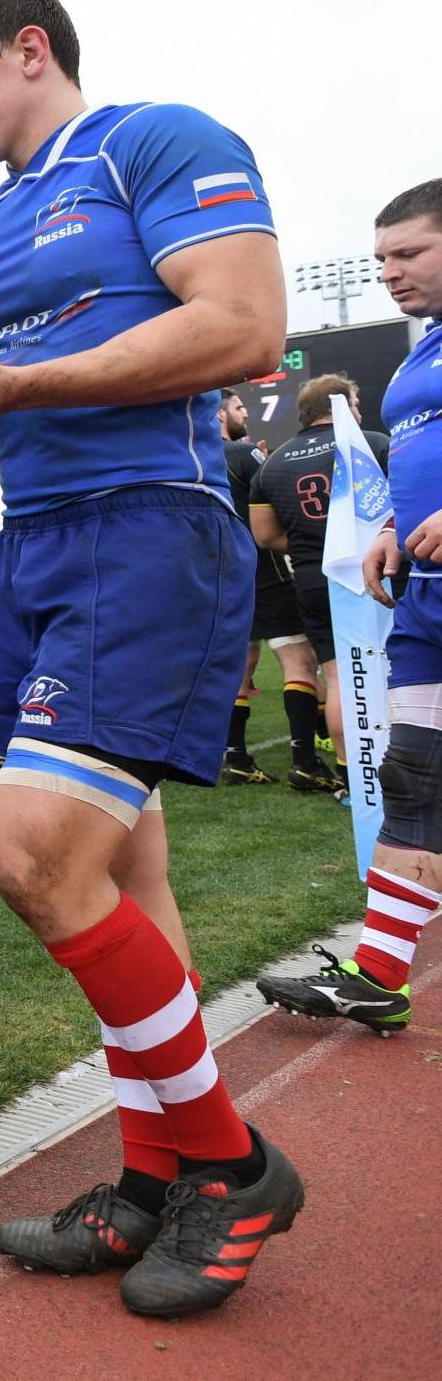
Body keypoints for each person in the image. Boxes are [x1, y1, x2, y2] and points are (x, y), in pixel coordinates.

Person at [0, 0, 299, 1315]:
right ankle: (147, 1178)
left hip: (147, 530)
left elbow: (241, 327)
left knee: (31, 853)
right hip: (37, 549)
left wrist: (16, 381)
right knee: (122, 869)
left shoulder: (153, 139)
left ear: (29, 49)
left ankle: (231, 1167)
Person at [259, 178, 442, 1031]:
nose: (389, 273)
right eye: (380, 259)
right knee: (410, 777)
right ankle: (378, 975)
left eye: (409, 253)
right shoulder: (418, 355)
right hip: (426, 599)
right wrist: (400, 526)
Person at [250, 374, 369, 794]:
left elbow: (264, 535)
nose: (359, 410)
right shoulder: (372, 444)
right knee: (397, 675)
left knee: (339, 678)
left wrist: (310, 545)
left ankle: (351, 777)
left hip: (314, 577)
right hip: (373, 571)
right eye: (355, 402)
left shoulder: (273, 462)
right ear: (341, 405)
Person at [217, 391, 319, 785]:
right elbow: (275, 498)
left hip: (219, 579)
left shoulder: (183, 458)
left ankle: (236, 758)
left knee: (240, 667)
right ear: (220, 414)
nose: (246, 413)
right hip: (265, 573)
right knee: (299, 660)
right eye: (240, 408)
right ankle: (305, 761)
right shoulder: (243, 456)